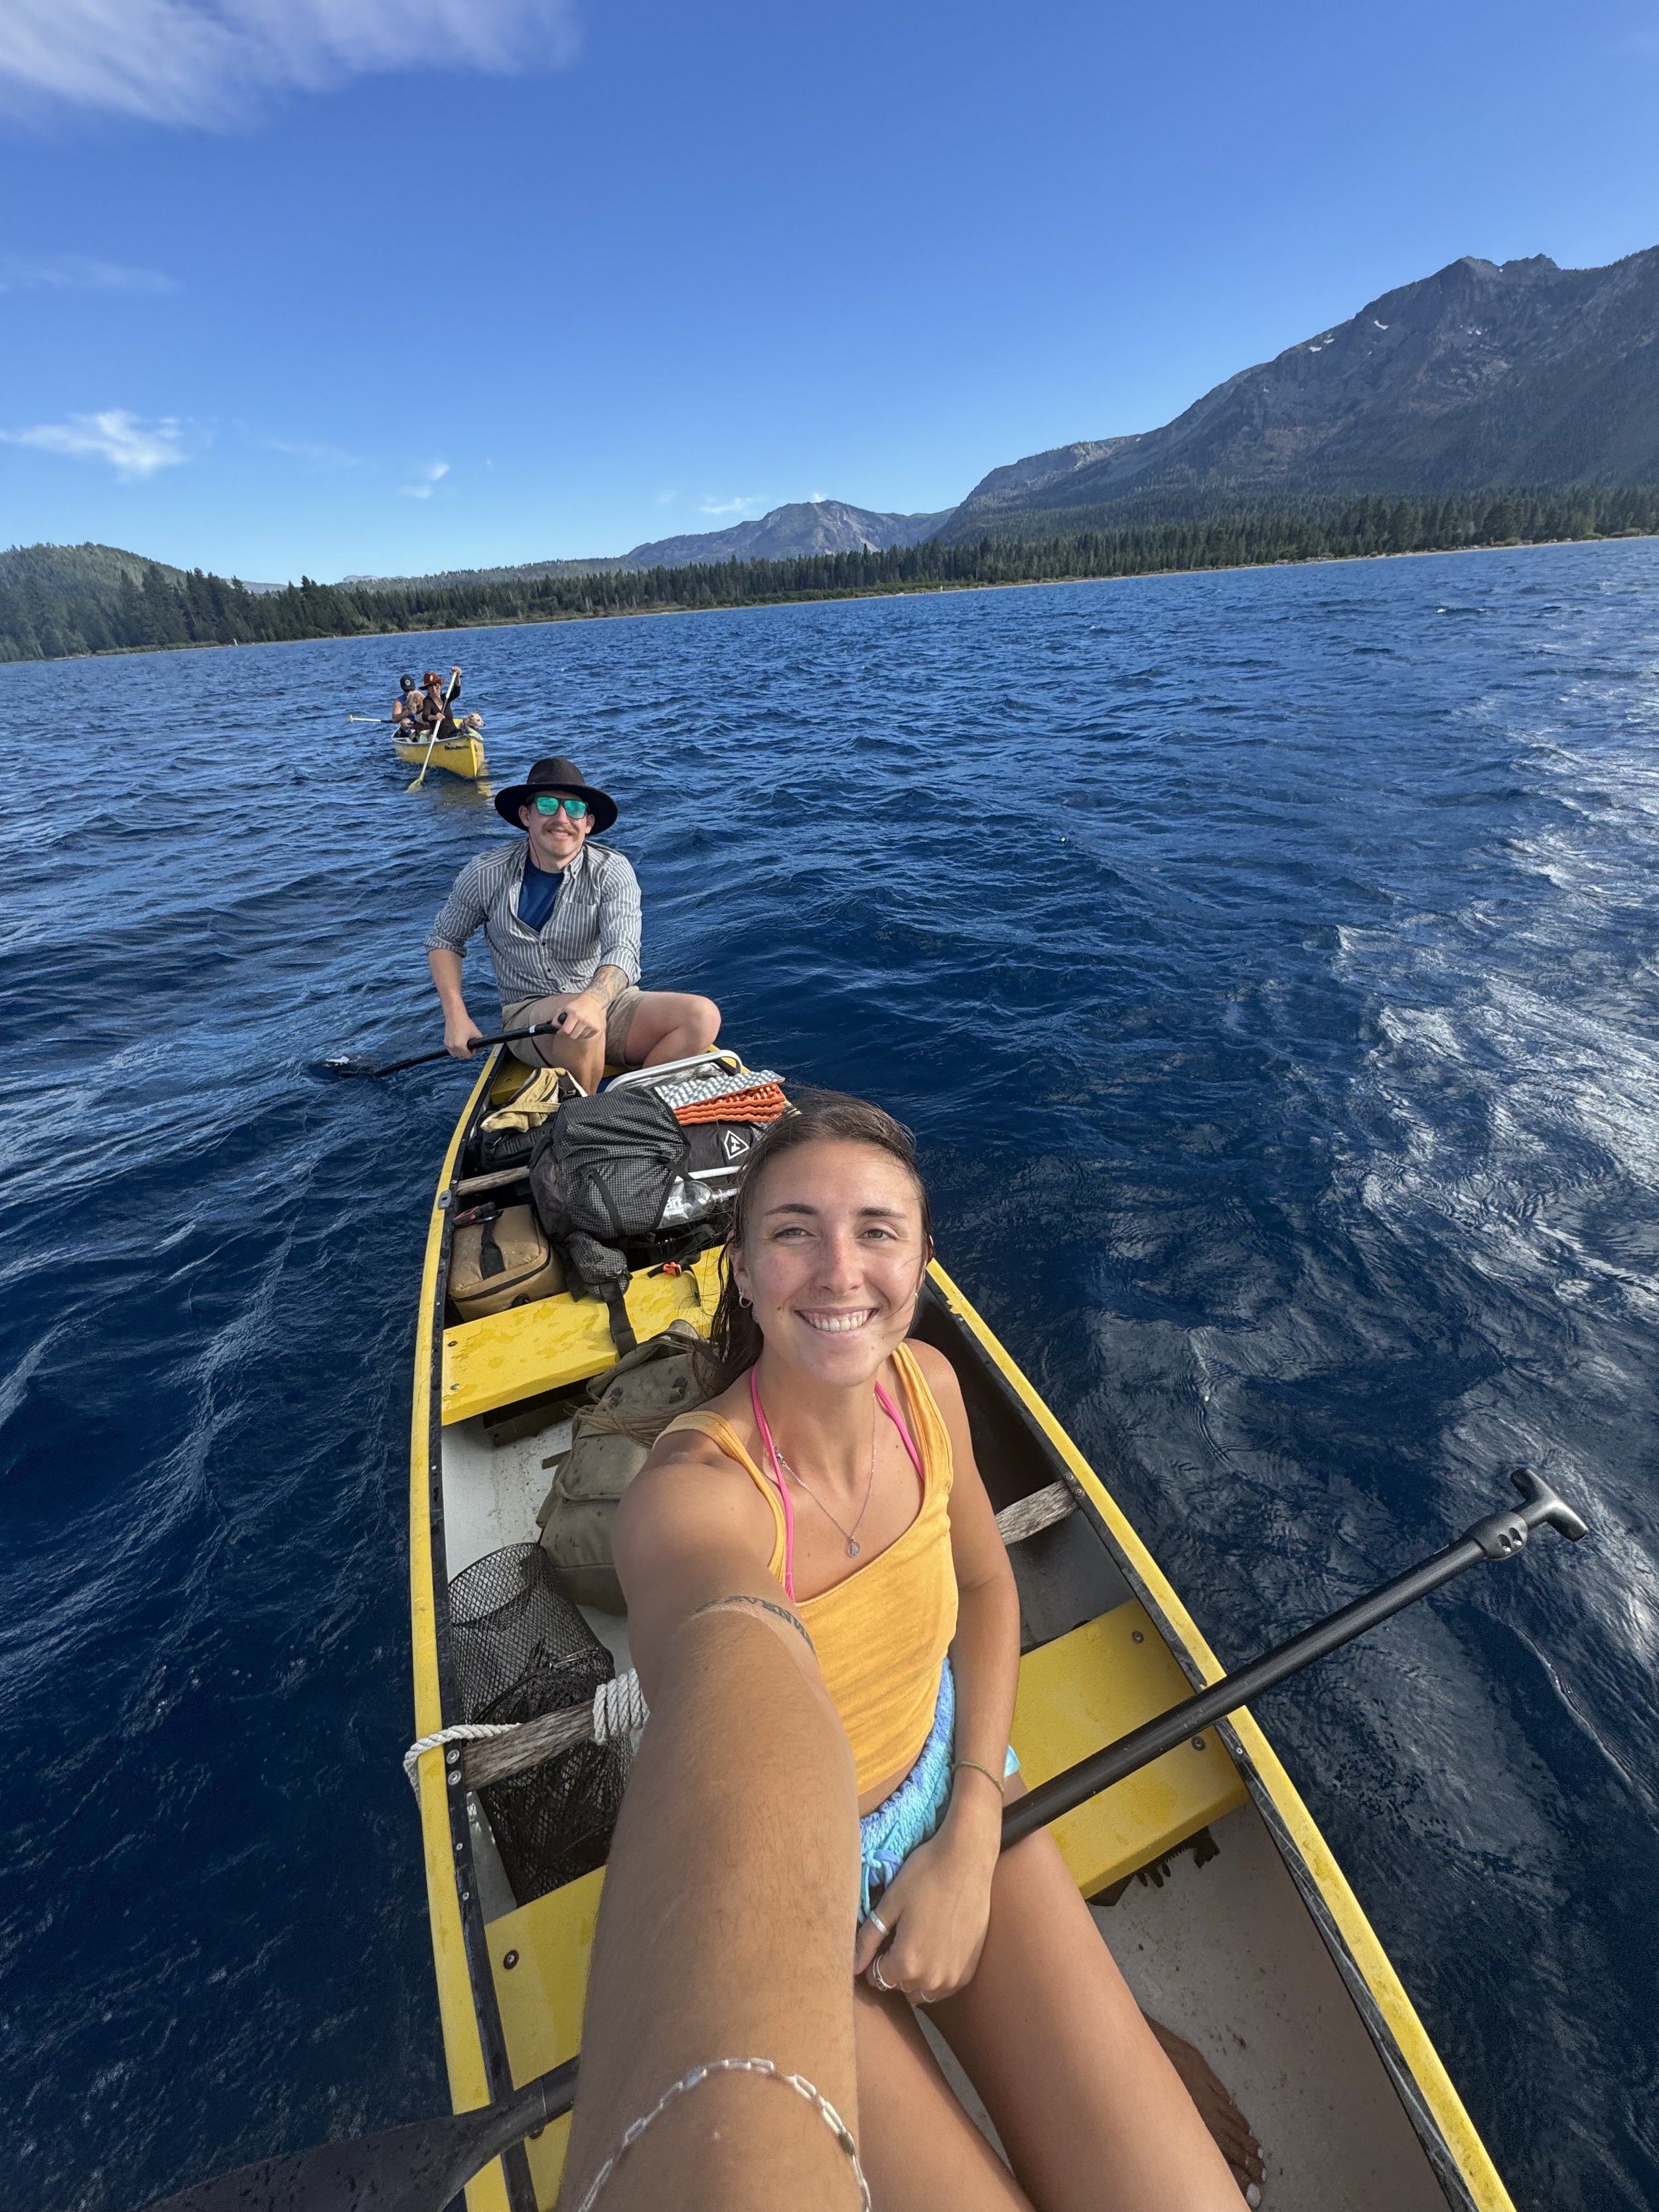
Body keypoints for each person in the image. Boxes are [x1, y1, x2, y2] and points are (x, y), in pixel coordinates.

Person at [614, 1095, 1254, 2211]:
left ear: (919, 1263)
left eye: (878, 1231)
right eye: (795, 1231)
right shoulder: (691, 1498)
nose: (839, 1270)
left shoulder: (929, 1389)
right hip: (785, 1890)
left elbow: (988, 1588)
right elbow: (719, 1648)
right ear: (744, 1267)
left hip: (944, 1786)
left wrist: (970, 1827)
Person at [425, 755, 721, 1093]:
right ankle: (582, 1114)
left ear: (589, 822)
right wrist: (456, 1017)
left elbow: (623, 950)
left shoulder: (612, 870)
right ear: (526, 815)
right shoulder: (484, 873)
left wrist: (593, 1000)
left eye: (575, 809)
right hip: (530, 1016)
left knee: (702, 1016)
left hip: (604, 1004)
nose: (562, 818)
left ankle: (631, 1103)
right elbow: (445, 941)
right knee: (576, 1023)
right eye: (548, 805)